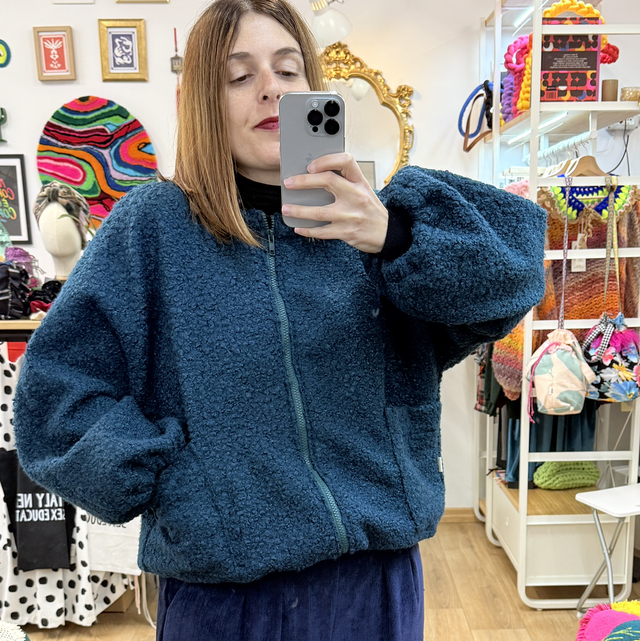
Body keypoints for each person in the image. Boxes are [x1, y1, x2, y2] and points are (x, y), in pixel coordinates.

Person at [13, 0, 547, 639]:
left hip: (373, 587)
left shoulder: (379, 223)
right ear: (204, 102)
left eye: (288, 70)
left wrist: (394, 236)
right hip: (224, 601)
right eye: (239, 76)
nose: (270, 88)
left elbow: (515, 278)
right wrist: (178, 483)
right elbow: (55, 396)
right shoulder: (153, 229)